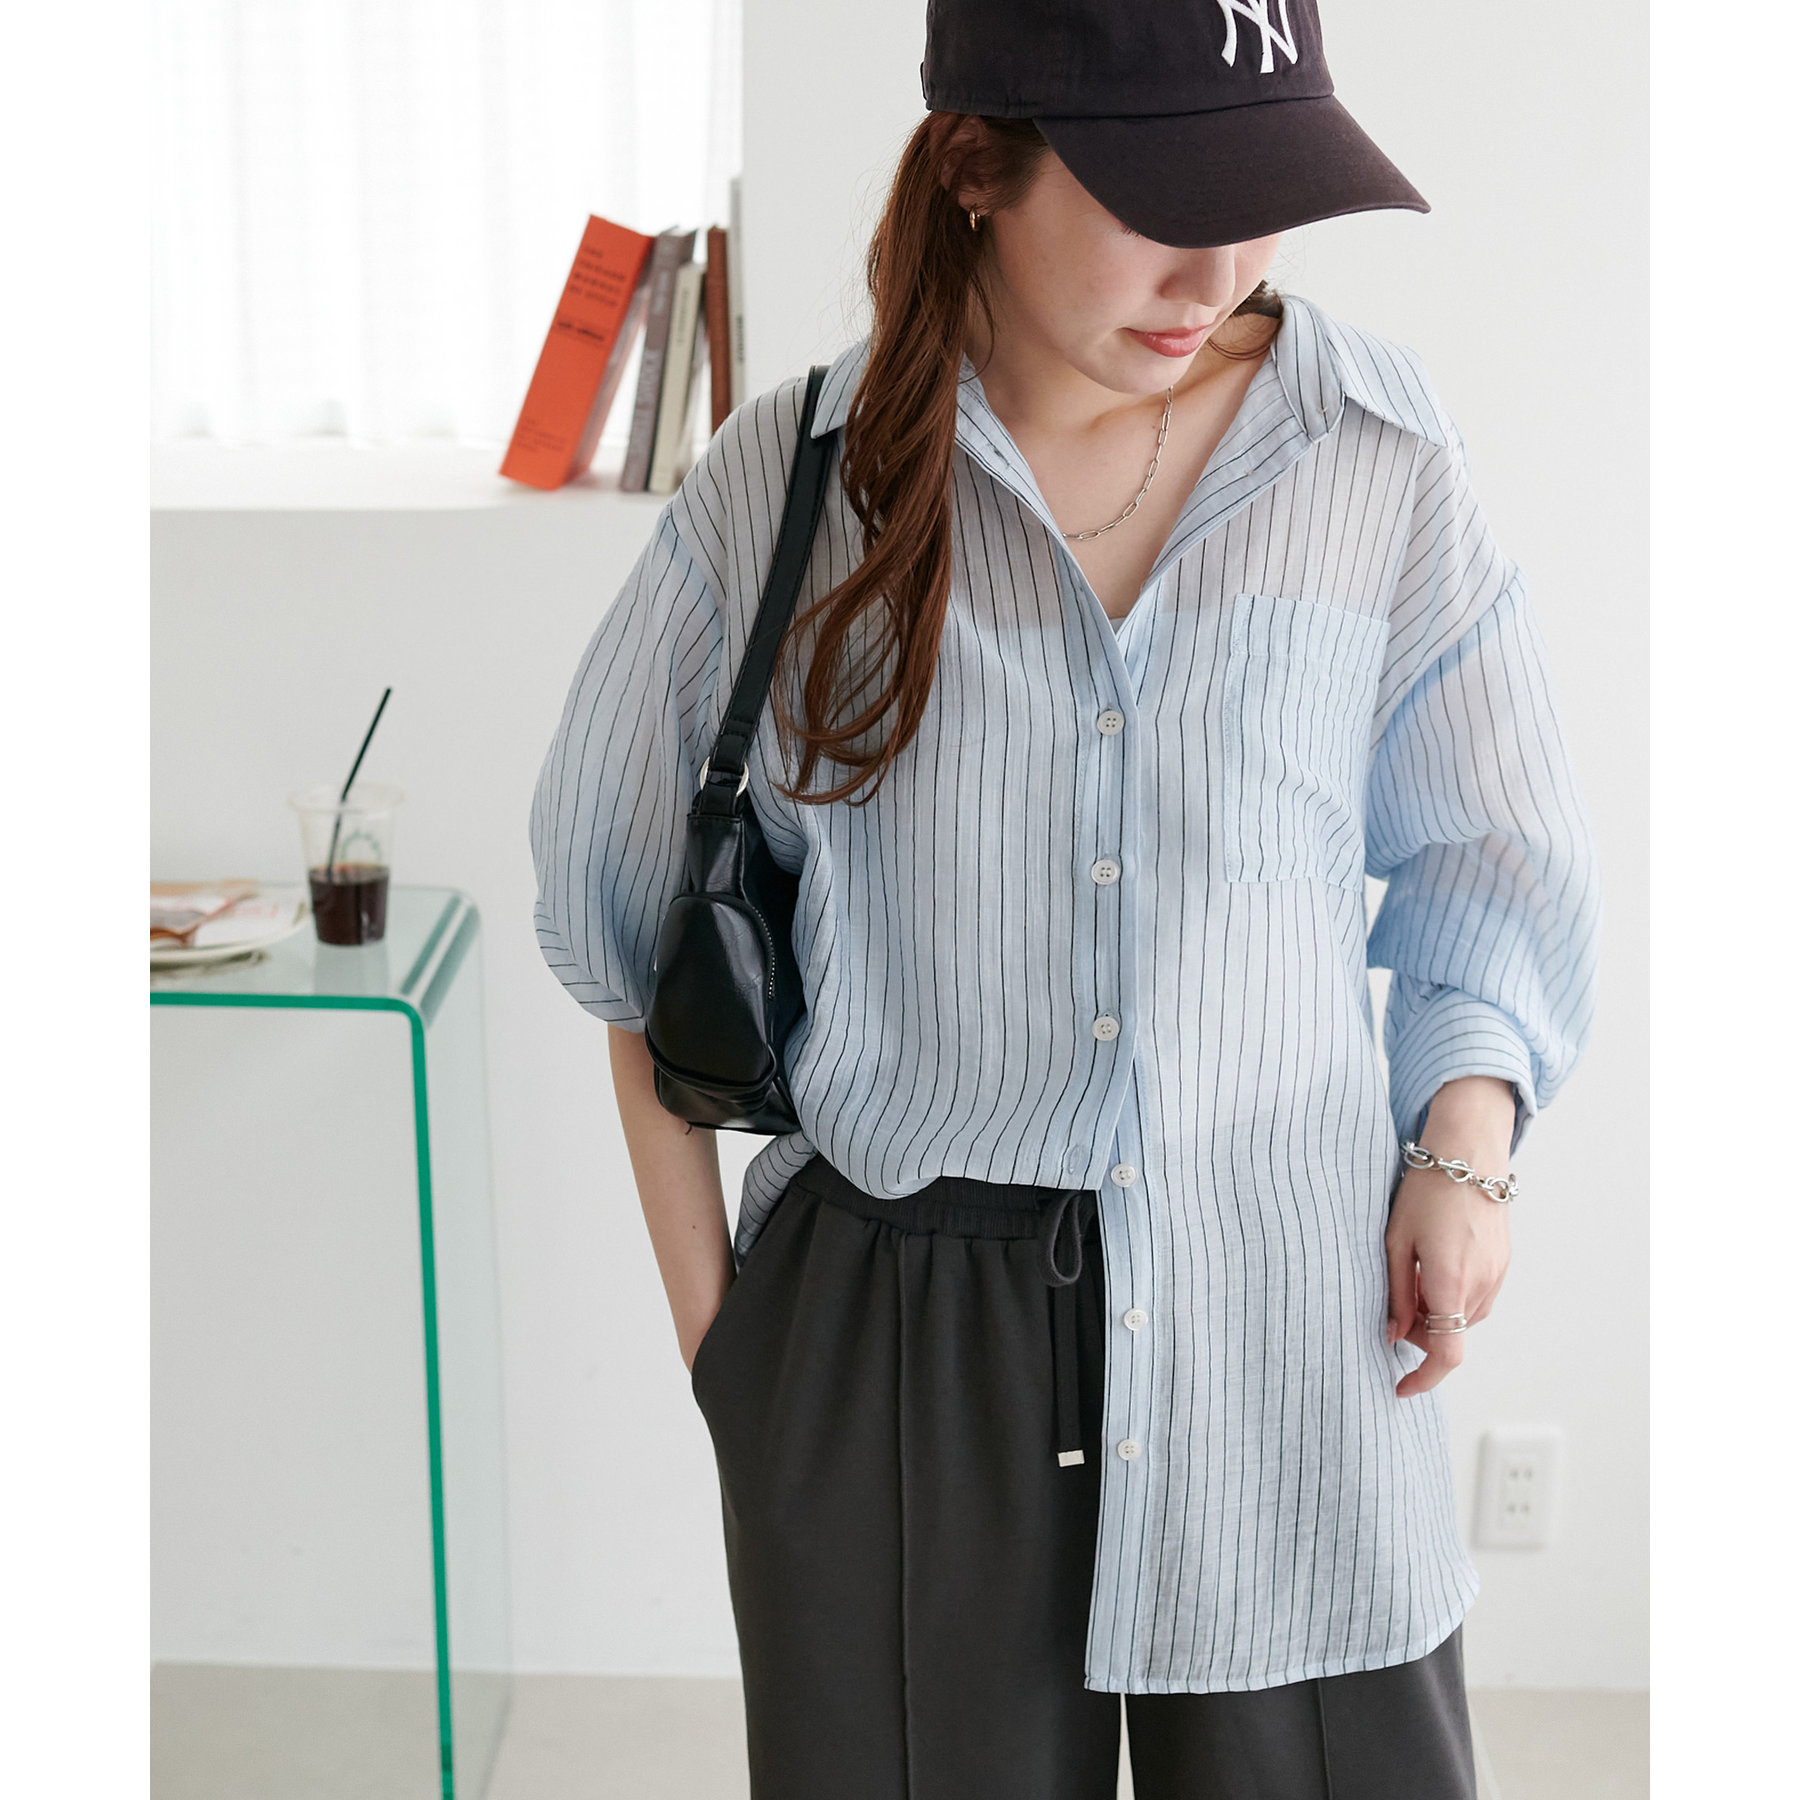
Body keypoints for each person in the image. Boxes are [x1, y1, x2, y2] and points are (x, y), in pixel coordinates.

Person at [530, 0, 1601, 1793]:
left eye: (1262, 197)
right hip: (897, 1350)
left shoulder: (1376, 459)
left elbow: (1489, 855)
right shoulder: (790, 488)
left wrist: (1464, 1144)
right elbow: (626, 927)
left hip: (1287, 1313)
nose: (1220, 269)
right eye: (1161, 199)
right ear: (976, 166)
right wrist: (738, 1364)